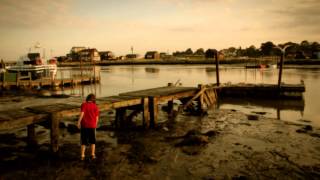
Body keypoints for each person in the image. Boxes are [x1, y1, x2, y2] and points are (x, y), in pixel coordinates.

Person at [77, 93, 99, 160]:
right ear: (93, 99)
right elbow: (97, 117)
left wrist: (78, 122)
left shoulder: (84, 104)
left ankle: (82, 156)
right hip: (92, 126)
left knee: (83, 141)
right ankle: (92, 155)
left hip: (85, 126)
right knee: (93, 141)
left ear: (87, 98)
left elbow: (82, 114)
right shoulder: (95, 106)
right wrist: (95, 125)